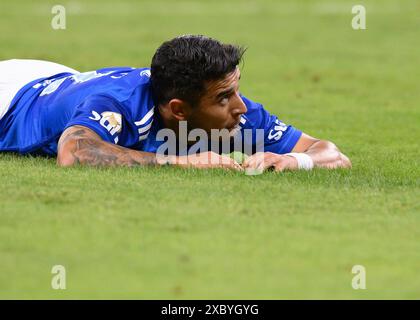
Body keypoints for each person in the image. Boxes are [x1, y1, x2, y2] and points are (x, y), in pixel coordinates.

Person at [0, 35, 351, 172]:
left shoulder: (235, 114)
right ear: (179, 109)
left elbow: (333, 154)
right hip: (11, 97)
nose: (241, 107)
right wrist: (183, 161)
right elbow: (74, 153)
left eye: (236, 90)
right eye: (224, 98)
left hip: (56, 77)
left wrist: (293, 160)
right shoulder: (120, 105)